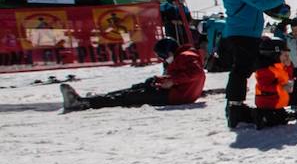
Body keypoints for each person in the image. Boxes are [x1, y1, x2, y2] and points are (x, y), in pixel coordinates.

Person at [216, 0, 288, 129]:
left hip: (248, 32)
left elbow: (255, 5)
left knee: (248, 67)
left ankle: (238, 105)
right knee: (241, 69)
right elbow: (260, 3)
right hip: (242, 33)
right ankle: (235, 107)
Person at [59, 38, 205, 112]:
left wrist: (172, 80)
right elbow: (184, 75)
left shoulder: (186, 56)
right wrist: (160, 79)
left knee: (129, 97)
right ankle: (93, 99)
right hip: (178, 93)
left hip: (176, 96)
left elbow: (197, 73)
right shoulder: (183, 56)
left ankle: (84, 103)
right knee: (137, 89)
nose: (163, 59)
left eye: (162, 55)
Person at [253, 37, 293, 128]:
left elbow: (289, 76)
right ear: (274, 55)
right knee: (273, 121)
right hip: (267, 103)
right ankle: (256, 115)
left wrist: (289, 66)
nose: (288, 58)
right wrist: (281, 88)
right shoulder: (266, 70)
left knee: (282, 119)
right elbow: (263, 86)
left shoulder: (280, 66)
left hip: (277, 102)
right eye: (285, 55)